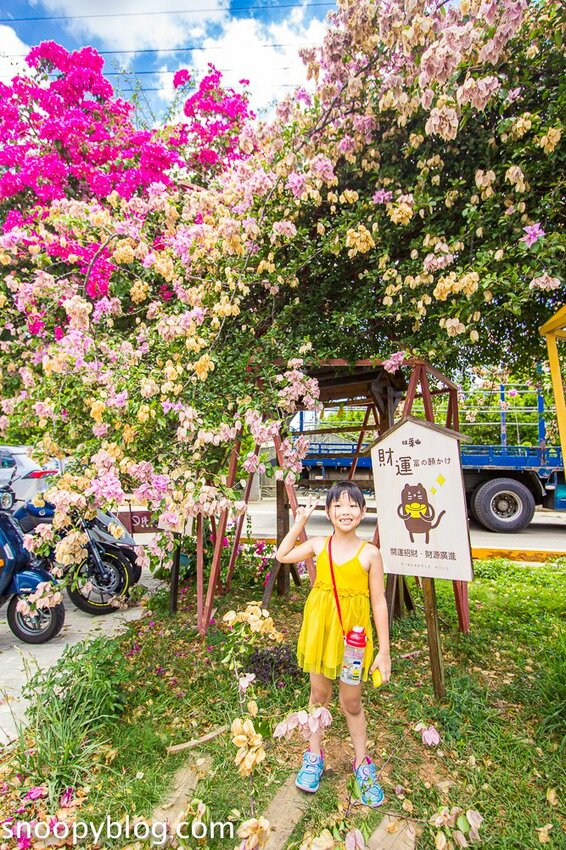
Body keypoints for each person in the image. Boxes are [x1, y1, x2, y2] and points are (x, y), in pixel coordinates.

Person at [276, 480, 391, 807]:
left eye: (352, 505)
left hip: (354, 642)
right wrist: (298, 523)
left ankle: (362, 764)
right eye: (338, 505)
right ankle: (314, 756)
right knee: (319, 696)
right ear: (328, 512)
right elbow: (282, 555)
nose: (345, 511)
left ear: (363, 512)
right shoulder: (317, 545)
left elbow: (379, 602)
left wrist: (384, 651)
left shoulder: (370, 553)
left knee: (351, 702)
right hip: (321, 633)